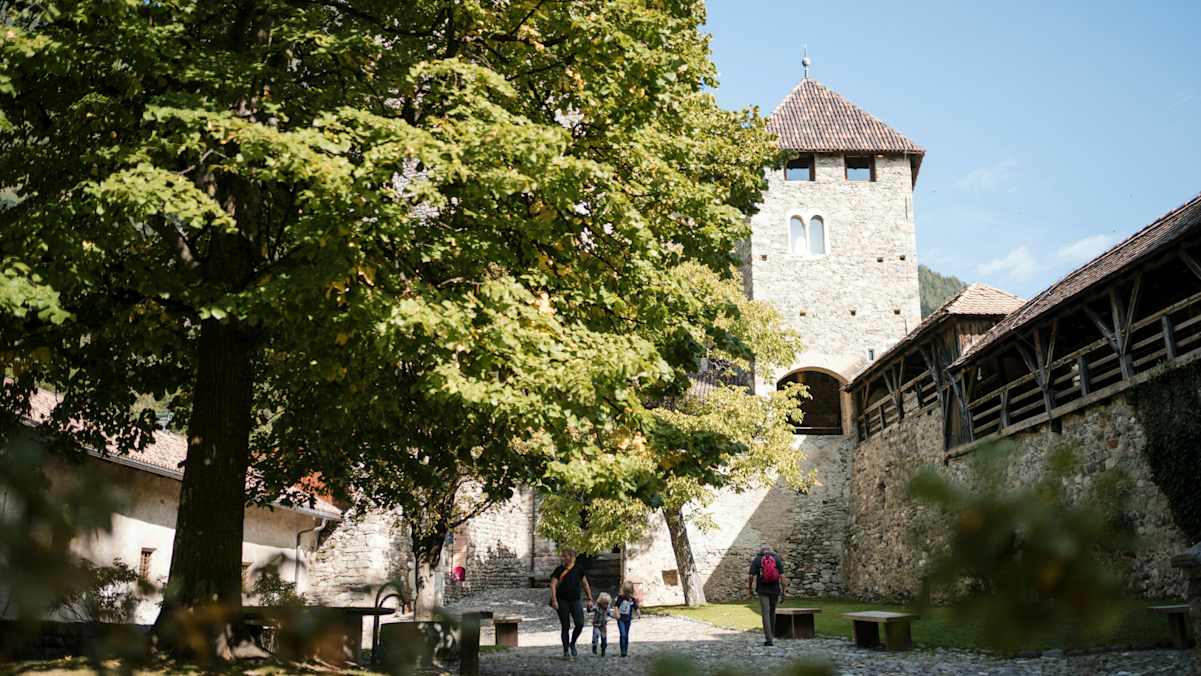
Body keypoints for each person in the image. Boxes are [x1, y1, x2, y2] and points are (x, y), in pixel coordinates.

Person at [549, 547, 593, 659]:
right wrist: (554, 600)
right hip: (562, 601)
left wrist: (590, 599)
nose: (562, 558)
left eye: (565, 556)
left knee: (580, 623)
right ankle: (565, 651)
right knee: (565, 626)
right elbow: (553, 585)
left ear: (571, 557)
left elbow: (585, 584)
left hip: (575, 601)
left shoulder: (579, 569)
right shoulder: (559, 570)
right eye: (562, 556)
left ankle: (572, 643)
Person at [747, 544, 787, 646]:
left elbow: (751, 576)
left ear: (761, 551)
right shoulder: (776, 559)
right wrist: (784, 591)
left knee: (765, 613)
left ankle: (769, 639)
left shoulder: (757, 559)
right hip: (775, 590)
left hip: (762, 590)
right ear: (770, 550)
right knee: (772, 612)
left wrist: (750, 588)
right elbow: (782, 577)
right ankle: (772, 635)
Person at [614, 581, 641, 657]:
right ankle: (622, 650)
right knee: (622, 634)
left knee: (626, 635)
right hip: (621, 619)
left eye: (629, 593)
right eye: (626, 592)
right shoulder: (620, 598)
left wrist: (638, 613)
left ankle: (625, 649)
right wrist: (617, 614)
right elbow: (616, 606)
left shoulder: (632, 600)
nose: (627, 594)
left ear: (631, 591)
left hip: (628, 619)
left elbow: (636, 607)